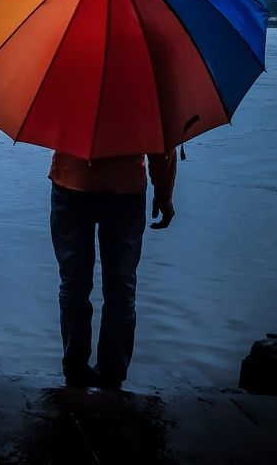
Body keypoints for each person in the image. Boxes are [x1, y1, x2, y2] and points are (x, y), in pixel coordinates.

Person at [48, 150, 177, 390]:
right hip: (124, 189)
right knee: (121, 287)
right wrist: (163, 193)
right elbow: (163, 144)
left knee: (73, 285)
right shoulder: (145, 109)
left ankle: (74, 371)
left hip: (71, 180)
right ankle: (113, 375)